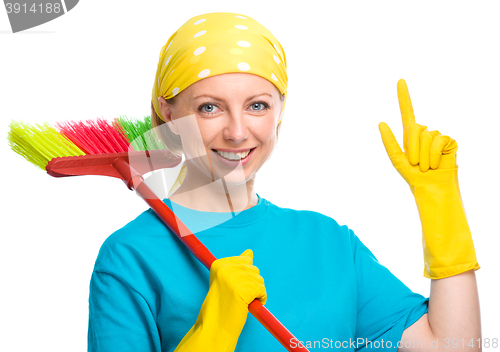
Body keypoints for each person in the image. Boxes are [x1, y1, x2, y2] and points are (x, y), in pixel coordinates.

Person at [87, 12, 481, 352]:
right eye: (210, 107)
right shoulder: (129, 258)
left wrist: (440, 203)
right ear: (167, 113)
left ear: (279, 111)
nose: (238, 132)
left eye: (257, 105)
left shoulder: (328, 242)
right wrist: (212, 332)